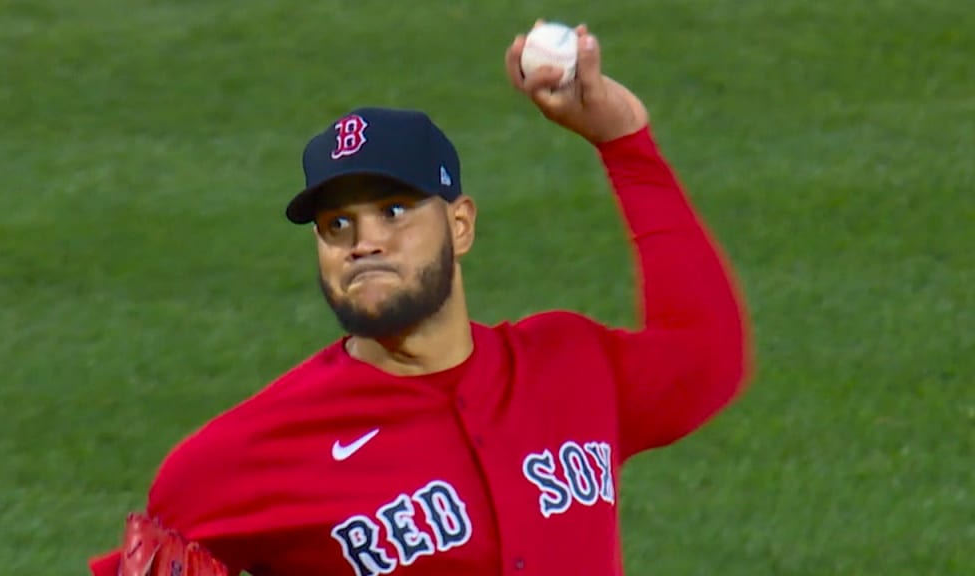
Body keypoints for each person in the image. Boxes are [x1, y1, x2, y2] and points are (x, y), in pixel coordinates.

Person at [89, 21, 752, 576]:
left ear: (459, 226)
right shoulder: (238, 459)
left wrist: (624, 142)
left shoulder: (567, 367)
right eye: (336, 225)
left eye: (395, 209)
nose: (364, 242)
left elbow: (705, 356)